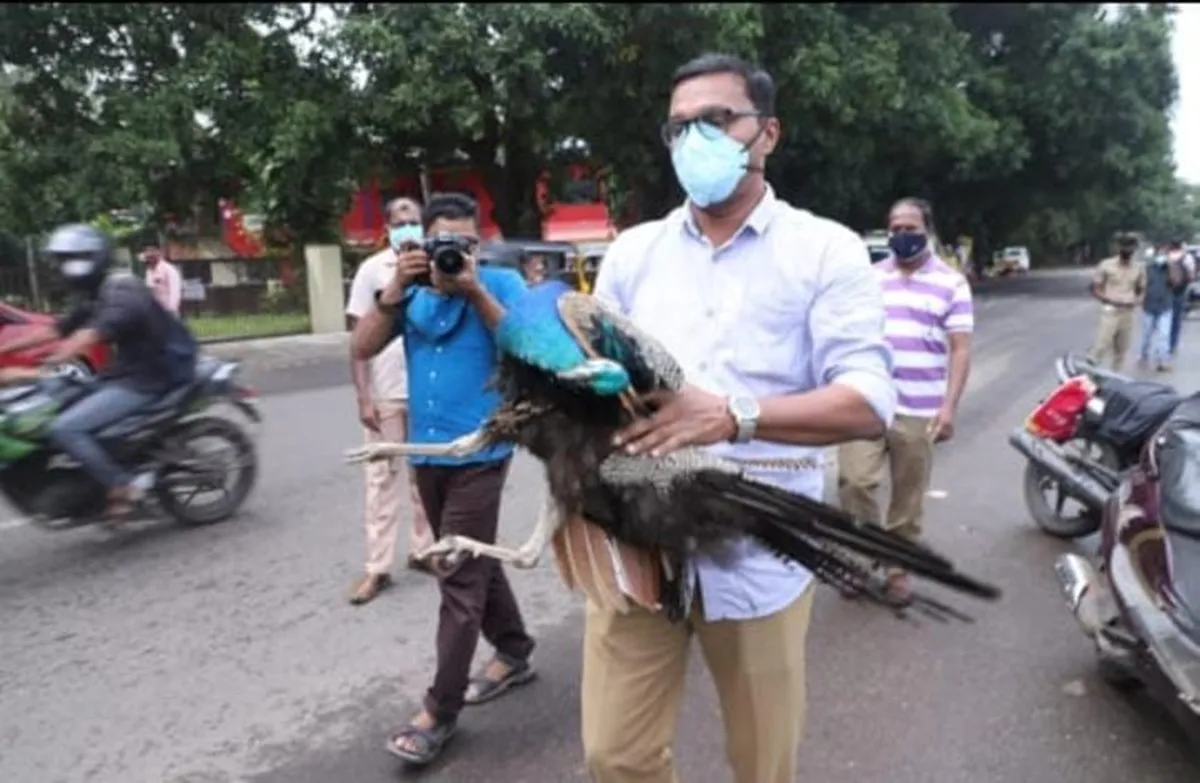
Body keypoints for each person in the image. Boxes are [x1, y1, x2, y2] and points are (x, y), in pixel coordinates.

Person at [587, 53, 895, 783]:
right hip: (640, 541)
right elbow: (597, 376)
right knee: (614, 753)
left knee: (762, 761)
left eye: (718, 119)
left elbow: (868, 399)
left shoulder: (824, 250)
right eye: (680, 126)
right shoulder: (633, 254)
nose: (696, 137)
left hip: (761, 551)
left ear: (768, 133)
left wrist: (732, 416)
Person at [352, 192, 537, 766]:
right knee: (470, 558)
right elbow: (362, 346)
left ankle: (439, 711)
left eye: (465, 242)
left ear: (478, 243)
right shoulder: (406, 291)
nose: (454, 253)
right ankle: (514, 649)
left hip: (480, 448)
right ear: (420, 244)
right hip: (426, 452)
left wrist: (474, 287)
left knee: (454, 570)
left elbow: (528, 347)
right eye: (441, 244)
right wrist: (393, 292)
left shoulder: (501, 284)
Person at [0, 224, 197, 519]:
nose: (63, 269)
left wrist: (46, 366)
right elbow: (58, 329)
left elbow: (90, 335)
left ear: (91, 259)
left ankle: (122, 485)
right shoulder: (97, 293)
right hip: (124, 372)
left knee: (65, 427)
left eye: (69, 261)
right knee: (59, 400)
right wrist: (4, 350)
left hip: (149, 378)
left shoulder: (123, 292)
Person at [838, 197, 974, 603]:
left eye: (910, 228)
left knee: (908, 494)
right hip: (866, 402)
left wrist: (948, 407)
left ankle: (898, 567)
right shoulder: (870, 278)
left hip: (919, 407)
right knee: (854, 482)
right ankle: (861, 560)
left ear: (927, 231)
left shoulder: (952, 283)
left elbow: (961, 349)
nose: (901, 235)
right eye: (894, 228)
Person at [343, 197, 435, 604]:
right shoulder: (371, 271)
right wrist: (363, 398)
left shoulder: (437, 268)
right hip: (385, 392)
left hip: (427, 392)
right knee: (381, 481)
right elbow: (357, 341)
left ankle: (424, 550)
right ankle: (377, 568)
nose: (408, 227)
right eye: (401, 222)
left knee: (426, 478)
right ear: (387, 228)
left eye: (414, 221)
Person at [1087, 234, 1145, 372]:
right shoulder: (1106, 265)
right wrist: (1108, 299)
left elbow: (1142, 289)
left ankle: (1115, 377)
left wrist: (1137, 300)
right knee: (1102, 342)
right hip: (1110, 309)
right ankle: (1088, 370)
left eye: (1130, 247)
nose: (1127, 249)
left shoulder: (1139, 268)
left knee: (1122, 347)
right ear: (1118, 247)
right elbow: (1096, 288)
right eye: (1124, 246)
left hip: (1128, 311)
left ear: (1135, 249)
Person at [1138, 245, 1183, 373]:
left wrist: (1170, 267)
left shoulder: (1172, 269)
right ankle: (1143, 356)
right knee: (1146, 335)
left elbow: (1176, 282)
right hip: (1149, 306)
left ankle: (1163, 360)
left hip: (1165, 306)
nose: (1162, 257)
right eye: (1160, 254)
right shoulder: (1148, 268)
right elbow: (1141, 285)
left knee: (1164, 335)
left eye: (1165, 254)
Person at [1167, 240, 1195, 360]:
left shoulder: (1165, 256)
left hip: (1165, 291)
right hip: (1180, 292)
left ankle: (1164, 343)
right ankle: (1172, 344)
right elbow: (1191, 277)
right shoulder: (1187, 257)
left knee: (1165, 319)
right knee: (1176, 319)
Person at [141, 243, 183, 316]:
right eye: (147, 251)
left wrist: (171, 310)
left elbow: (175, 291)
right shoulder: (149, 271)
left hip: (168, 310)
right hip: (154, 312)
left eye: (152, 251)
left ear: (159, 252)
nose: (149, 254)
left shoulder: (169, 270)